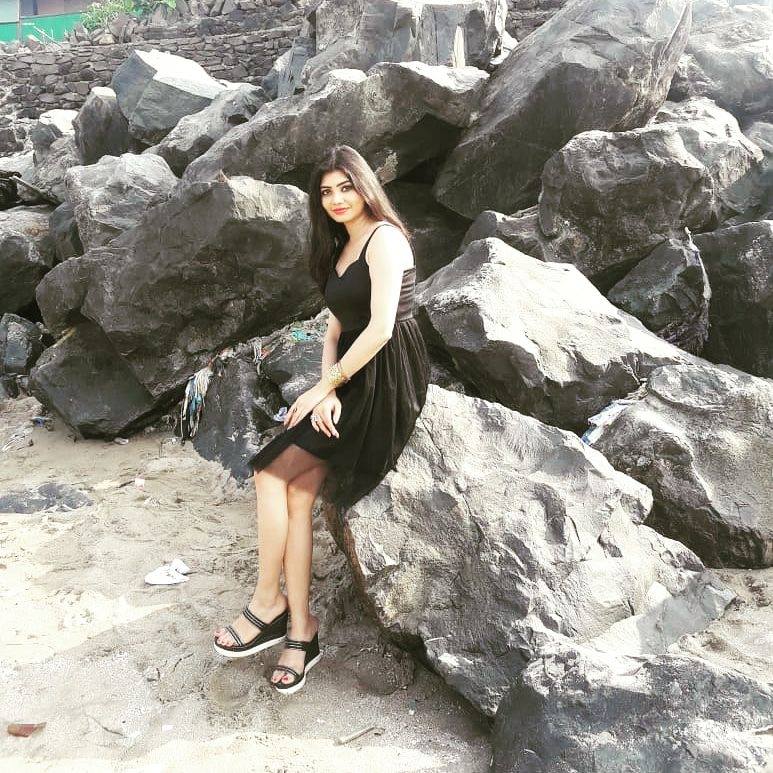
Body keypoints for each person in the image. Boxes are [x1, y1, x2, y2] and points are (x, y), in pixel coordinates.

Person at [212, 145, 431, 694]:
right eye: (326, 192)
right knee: (295, 493)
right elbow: (336, 328)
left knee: (268, 472)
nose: (336, 199)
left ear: (364, 186)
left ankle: (268, 603)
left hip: (386, 377)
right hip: (351, 375)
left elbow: (381, 329)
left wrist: (324, 388)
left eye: (345, 187)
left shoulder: (385, 239)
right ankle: (301, 632)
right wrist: (327, 388)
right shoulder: (340, 244)